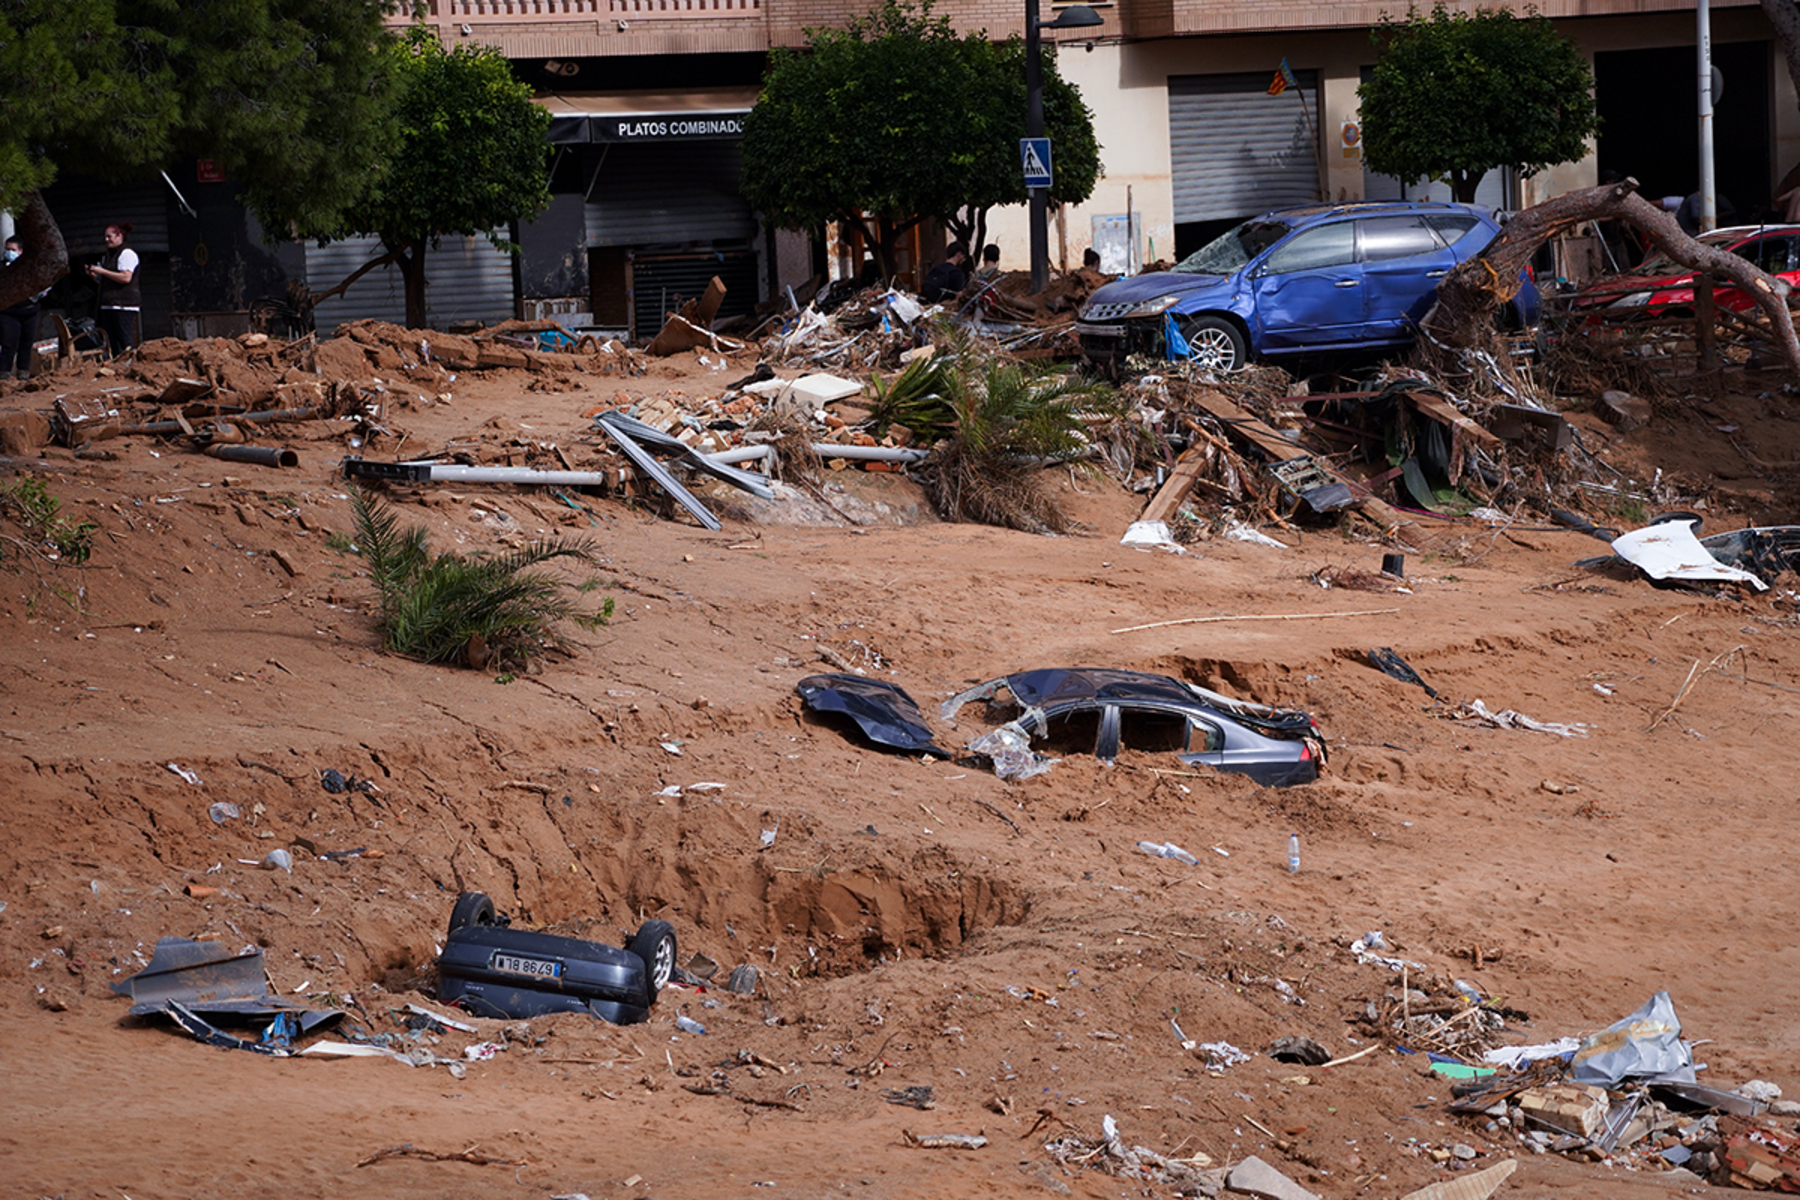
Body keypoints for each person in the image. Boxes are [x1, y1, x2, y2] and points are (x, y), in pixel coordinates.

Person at [86, 221, 140, 355]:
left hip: (123, 305)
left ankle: (131, 366)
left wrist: (102, 271)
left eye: (109, 236)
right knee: (110, 342)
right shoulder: (109, 255)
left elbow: (125, 277)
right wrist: (97, 276)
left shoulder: (126, 254)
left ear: (119, 235)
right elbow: (111, 278)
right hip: (108, 305)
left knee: (125, 341)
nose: (106, 240)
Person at [0, 236, 48, 381]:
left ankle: (24, 373)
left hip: (30, 310)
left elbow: (43, 282)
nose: (10, 252)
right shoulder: (2, 268)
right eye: (7, 249)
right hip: (9, 312)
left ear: (21, 251)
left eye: (13, 250)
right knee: (8, 344)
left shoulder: (30, 267)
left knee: (26, 344)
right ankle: (4, 374)